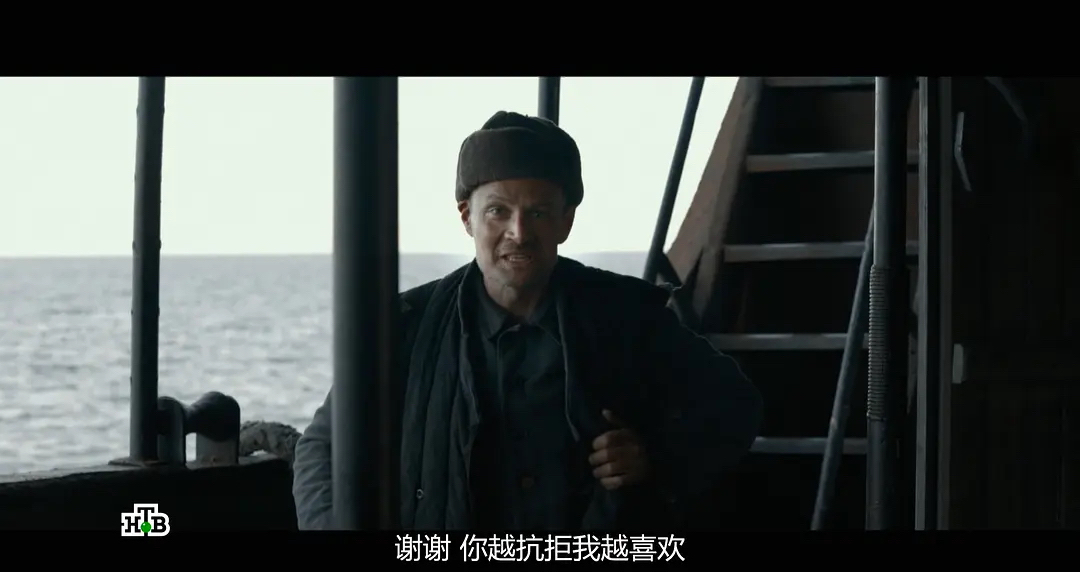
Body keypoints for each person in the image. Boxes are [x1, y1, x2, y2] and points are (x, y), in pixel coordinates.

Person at [291, 110, 763, 531]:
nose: (518, 233)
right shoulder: (406, 328)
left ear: (565, 221)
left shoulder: (628, 318)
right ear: (467, 217)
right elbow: (322, 448)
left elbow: (735, 405)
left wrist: (654, 456)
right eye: (498, 211)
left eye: (538, 212)